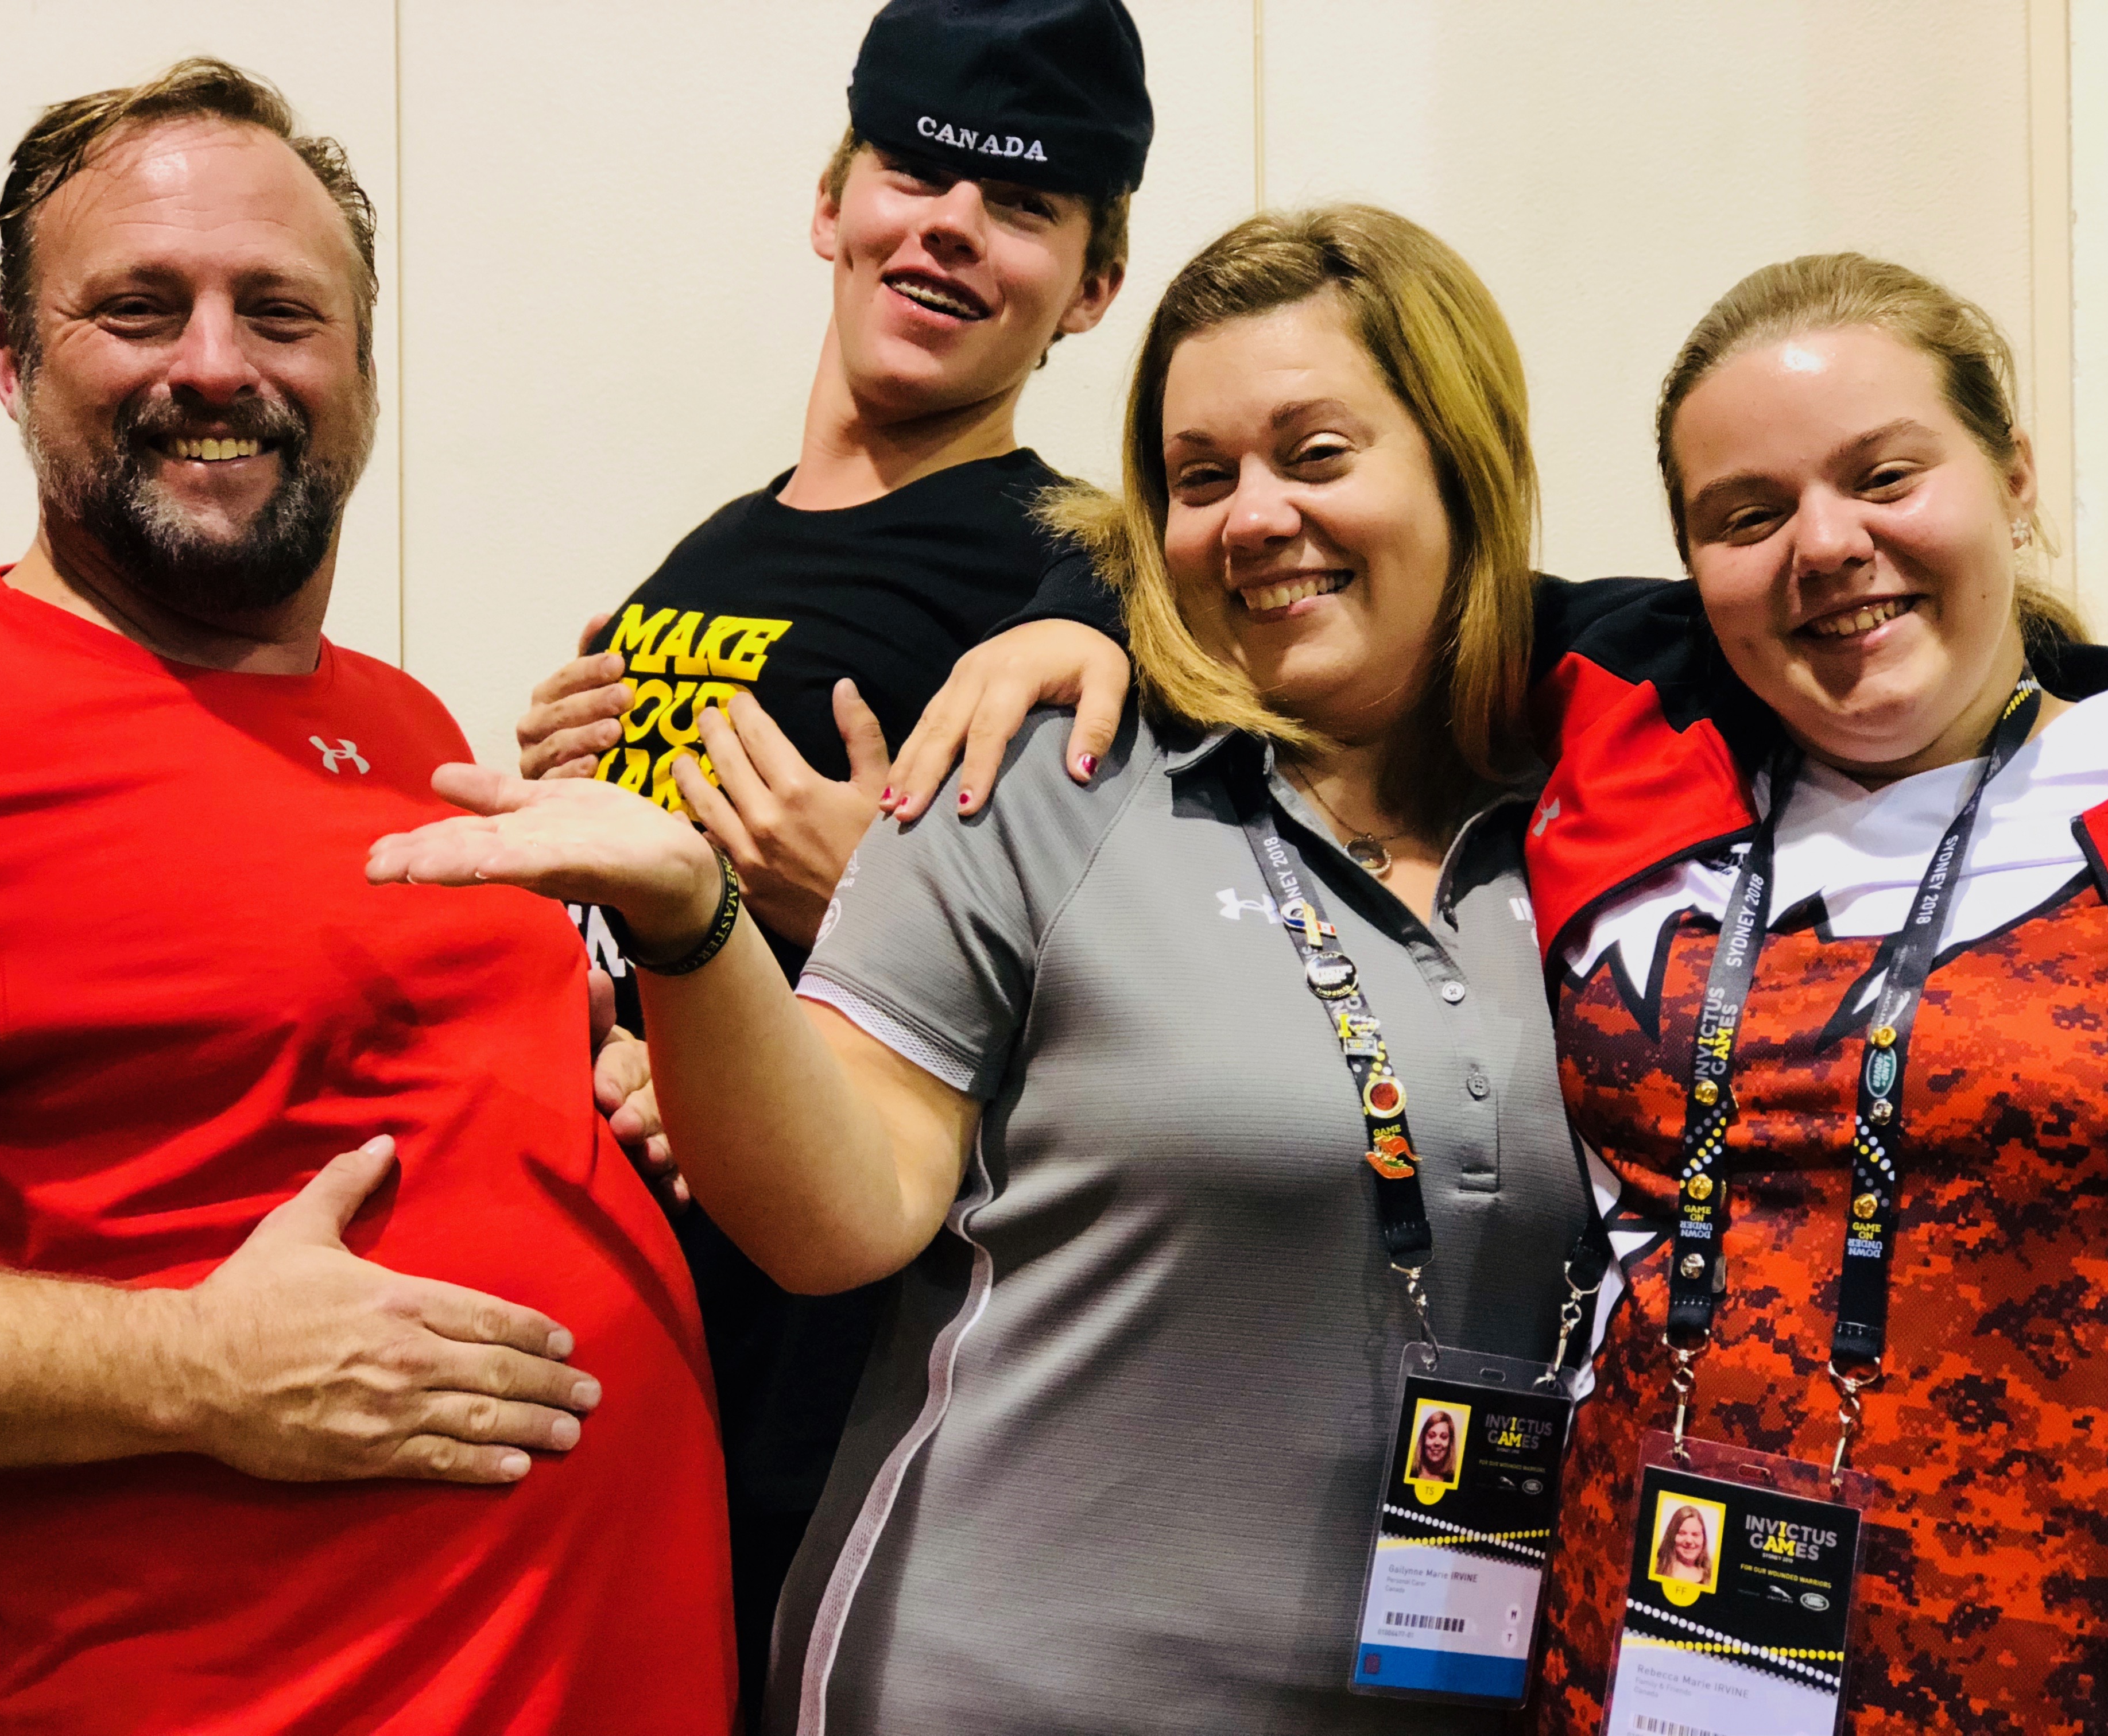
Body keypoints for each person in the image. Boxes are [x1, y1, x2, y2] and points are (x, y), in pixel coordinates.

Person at [910, 248, 2108, 1731]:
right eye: (1749, 514)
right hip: (1622, 1677)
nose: (1826, 545)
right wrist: (1075, 612)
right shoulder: (1623, 718)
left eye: (1886, 477)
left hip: (2079, 1680)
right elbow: (1329, 564)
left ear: (2013, 476)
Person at [370, 205, 1591, 1734]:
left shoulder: (1605, 811)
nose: (1255, 517)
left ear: (1464, 460)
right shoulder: (1045, 769)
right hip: (1009, 1687)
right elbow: (842, 1207)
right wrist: (697, 924)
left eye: (1317, 454)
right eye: (1200, 478)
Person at [0, 60, 731, 1732]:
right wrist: (194, 1370)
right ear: (10, 358)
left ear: (359, 368)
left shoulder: (401, 724)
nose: (217, 364)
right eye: (139, 308)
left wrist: (602, 1080)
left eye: (280, 312)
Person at [511, 2, 1151, 1714]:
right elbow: (622, 951)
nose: (951, 225)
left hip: (847, 1425)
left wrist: (867, 917)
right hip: (626, 1386)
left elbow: (1162, 1010)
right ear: (832, 203)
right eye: (916, 171)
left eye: (1023, 206)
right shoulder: (700, 561)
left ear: (1094, 286)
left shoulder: (1083, 574)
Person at [1653, 1506, 1711, 1584]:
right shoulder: (1655, 1567)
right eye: (1682, 1533)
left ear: (1704, 1539)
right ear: (1672, 1535)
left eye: (1695, 1534)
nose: (1689, 1541)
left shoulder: (1712, 1576)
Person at [1412, 1406, 1460, 1483]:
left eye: (1444, 1437)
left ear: (1450, 1443)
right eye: (1432, 1436)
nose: (1437, 1443)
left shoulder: (1455, 1480)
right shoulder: (1409, 1474)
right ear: (1423, 1439)